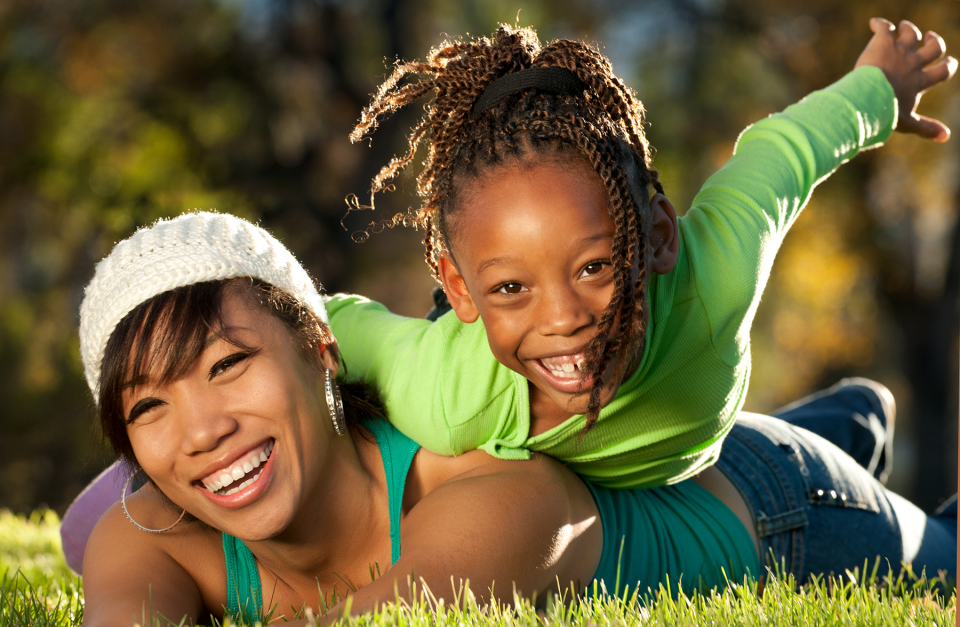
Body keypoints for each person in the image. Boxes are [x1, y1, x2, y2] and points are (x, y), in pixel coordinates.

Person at [80, 212, 954, 627]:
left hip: (775, 510)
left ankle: (834, 434)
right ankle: (846, 415)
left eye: (229, 364)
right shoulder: (152, 524)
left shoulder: (492, 491)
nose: (200, 432)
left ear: (319, 347)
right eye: (148, 406)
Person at [320, 17, 956, 490]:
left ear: (657, 237)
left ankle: (848, 417)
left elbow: (782, 155)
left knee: (782, 454)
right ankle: (845, 420)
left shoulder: (716, 272)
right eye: (514, 288)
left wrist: (880, 89)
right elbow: (336, 327)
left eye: (594, 267)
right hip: (647, 437)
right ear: (460, 290)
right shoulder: (450, 394)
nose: (565, 317)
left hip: (705, 445)